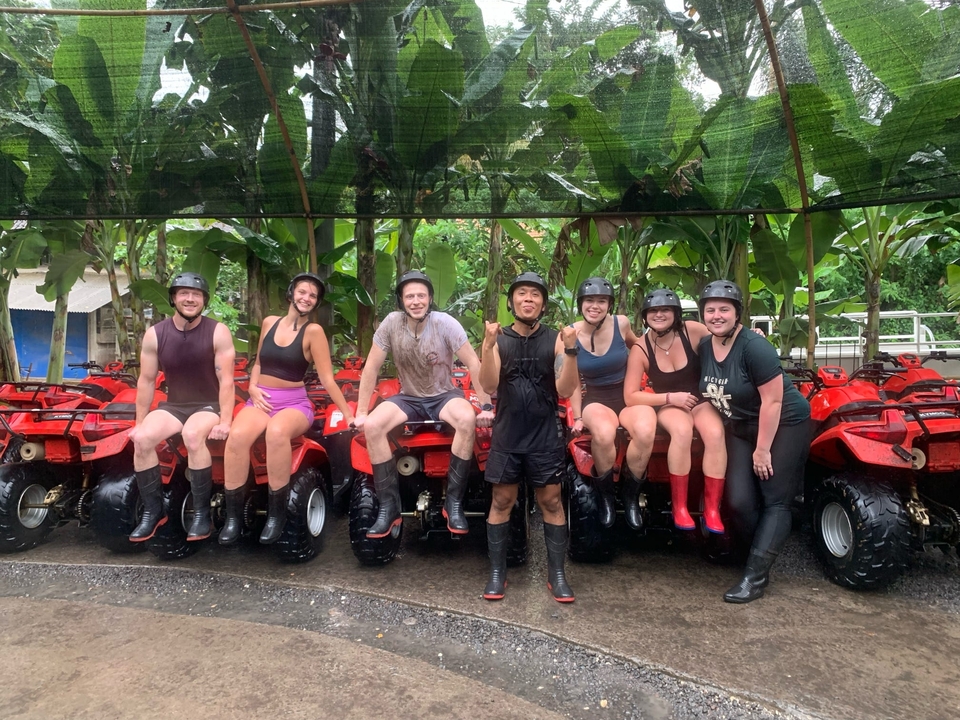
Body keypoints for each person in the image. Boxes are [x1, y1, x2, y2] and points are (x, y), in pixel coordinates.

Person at [353, 270, 495, 538]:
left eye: (421, 295)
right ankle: (389, 508)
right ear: (401, 300)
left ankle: (453, 503)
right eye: (409, 296)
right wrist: (361, 412)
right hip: (408, 397)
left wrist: (486, 407)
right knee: (372, 425)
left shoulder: (445, 323)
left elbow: (474, 364)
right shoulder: (391, 324)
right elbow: (371, 367)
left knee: (466, 419)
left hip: (444, 395)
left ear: (430, 298)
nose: (416, 301)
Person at [220, 272, 356, 546]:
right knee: (236, 438)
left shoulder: (313, 332)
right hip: (261, 399)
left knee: (276, 433)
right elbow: (257, 363)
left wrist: (349, 414)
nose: (306, 298)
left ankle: (276, 514)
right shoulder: (270, 322)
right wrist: (253, 388)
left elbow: (328, 378)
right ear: (292, 293)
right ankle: (233, 518)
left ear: (316, 303)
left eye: (313, 296)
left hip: (294, 402)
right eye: (302, 292)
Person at [697, 280, 811, 603]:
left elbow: (773, 402)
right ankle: (750, 554)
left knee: (776, 498)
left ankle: (755, 577)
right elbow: (664, 329)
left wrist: (762, 451)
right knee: (739, 500)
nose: (717, 315)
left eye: (724, 309)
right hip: (741, 426)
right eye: (711, 310)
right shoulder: (705, 345)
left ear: (737, 313)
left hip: (783, 424)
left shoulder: (754, 347)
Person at [479, 272, 581, 603]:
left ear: (543, 304)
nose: (528, 299)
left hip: (543, 435)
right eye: (521, 293)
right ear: (511, 302)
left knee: (551, 501)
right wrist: (488, 346)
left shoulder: (554, 339)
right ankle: (497, 574)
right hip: (508, 433)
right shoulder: (499, 338)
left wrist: (571, 351)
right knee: (501, 501)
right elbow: (490, 384)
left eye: (535, 295)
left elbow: (565, 389)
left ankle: (557, 575)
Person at [129, 272, 235, 542]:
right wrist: (139, 422)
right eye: (184, 294)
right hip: (174, 405)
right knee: (141, 439)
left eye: (196, 294)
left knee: (191, 435)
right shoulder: (155, 334)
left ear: (204, 300)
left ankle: (201, 514)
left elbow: (226, 381)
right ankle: (153, 512)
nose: (190, 299)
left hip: (207, 405)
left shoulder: (217, 331)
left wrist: (225, 420)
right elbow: (147, 380)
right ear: (174, 298)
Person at [620, 288, 727, 534]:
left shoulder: (693, 330)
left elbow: (724, 337)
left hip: (700, 400)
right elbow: (630, 395)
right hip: (668, 403)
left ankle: (712, 509)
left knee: (715, 433)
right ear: (645, 315)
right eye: (653, 311)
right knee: (681, 431)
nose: (659, 314)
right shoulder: (641, 348)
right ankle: (679, 507)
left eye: (665, 309)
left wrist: (749, 334)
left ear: (675, 313)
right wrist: (670, 398)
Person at [565, 277, 639, 528]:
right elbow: (572, 380)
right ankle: (607, 498)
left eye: (601, 301)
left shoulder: (622, 324)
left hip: (628, 395)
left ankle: (631, 498)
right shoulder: (571, 334)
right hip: (595, 398)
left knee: (646, 431)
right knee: (605, 434)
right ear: (581, 304)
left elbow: (641, 349)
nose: (594, 306)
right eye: (589, 301)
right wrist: (576, 417)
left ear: (609, 304)